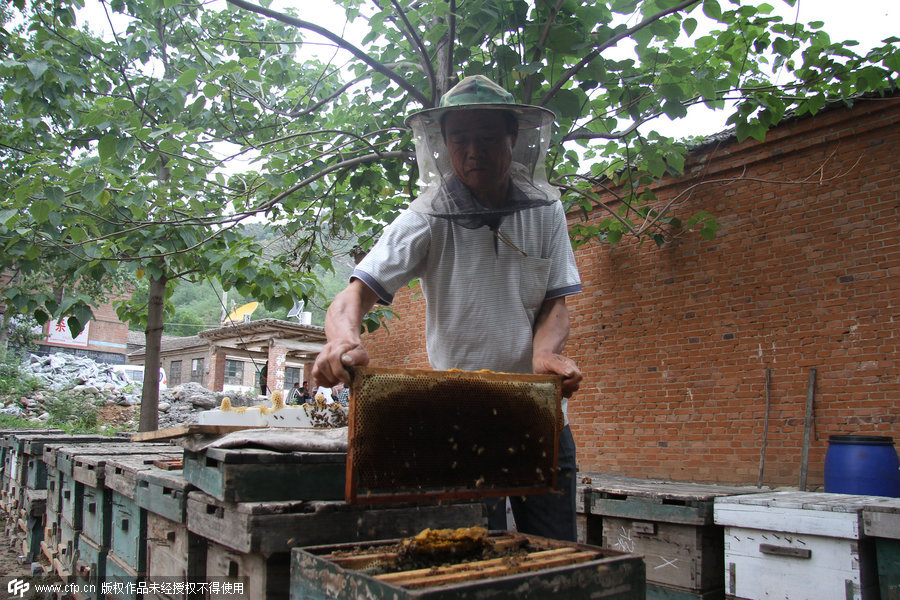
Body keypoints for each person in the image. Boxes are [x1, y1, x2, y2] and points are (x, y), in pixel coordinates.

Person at [312, 75, 583, 542]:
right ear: (443, 145)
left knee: (556, 550)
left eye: (486, 137)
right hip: (460, 413)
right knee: (473, 552)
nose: (473, 152)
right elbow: (353, 295)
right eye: (460, 139)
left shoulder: (546, 210)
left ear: (513, 138)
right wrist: (342, 339)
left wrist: (545, 354)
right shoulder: (426, 216)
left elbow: (554, 303)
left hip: (539, 409)